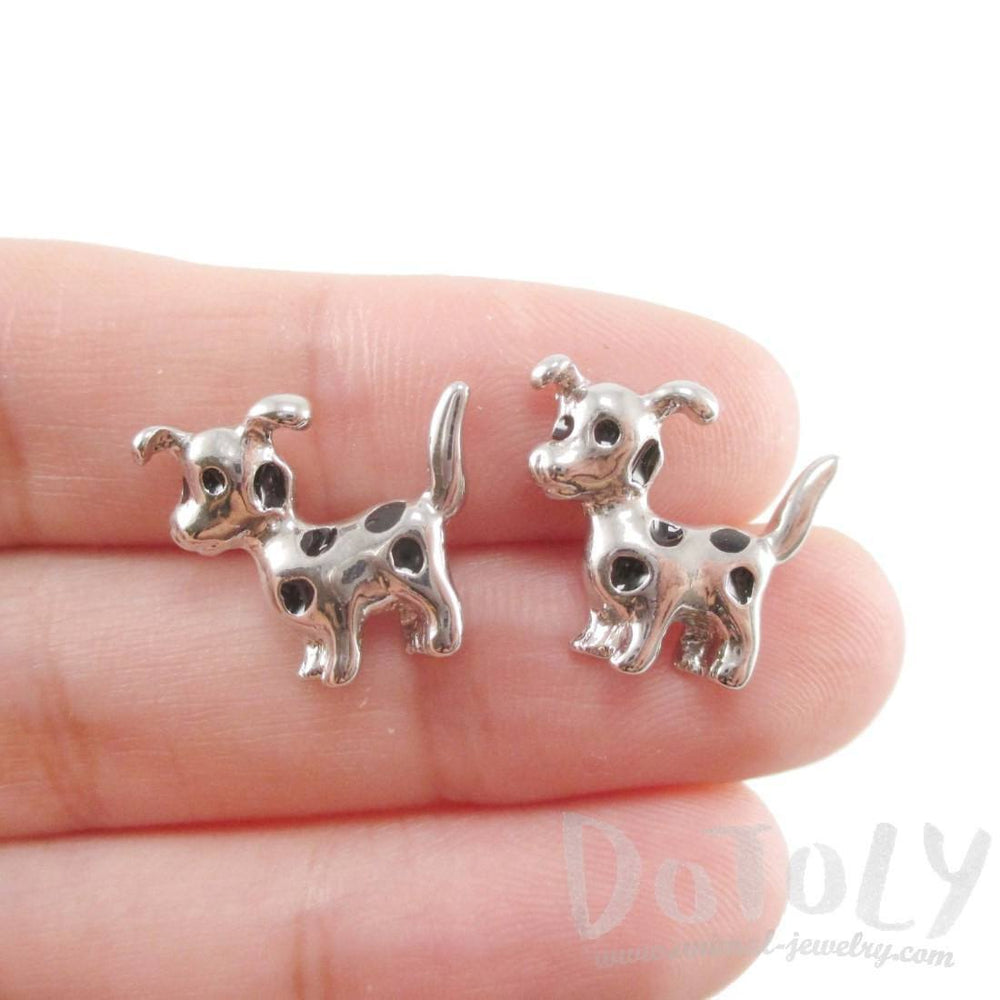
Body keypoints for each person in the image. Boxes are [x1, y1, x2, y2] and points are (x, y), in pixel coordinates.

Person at [0, 240, 903, 998]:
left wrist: (633, 631)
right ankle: (570, 631)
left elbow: (653, 584)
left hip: (625, 559)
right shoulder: (293, 563)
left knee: (446, 592)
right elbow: (336, 599)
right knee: (361, 600)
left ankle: (686, 644)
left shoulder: (662, 545)